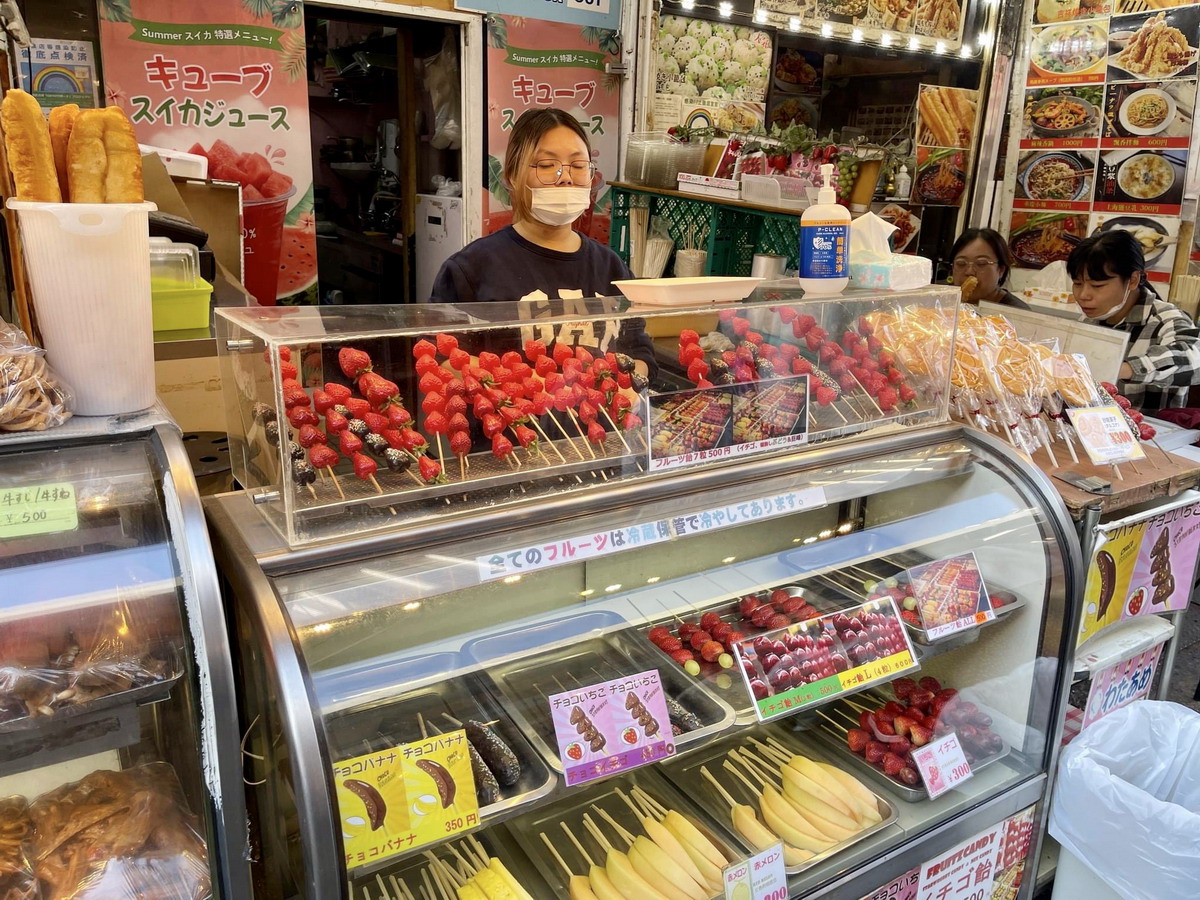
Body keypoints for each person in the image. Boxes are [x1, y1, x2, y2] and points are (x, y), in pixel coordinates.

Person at [429, 107, 655, 376]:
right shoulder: (471, 268)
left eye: (579, 166)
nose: (566, 178)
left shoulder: (611, 267)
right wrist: (522, 384)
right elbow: (439, 357)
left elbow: (640, 355)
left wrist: (625, 385)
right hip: (512, 418)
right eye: (548, 166)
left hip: (597, 417)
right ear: (512, 176)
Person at [1068, 230, 1200, 411]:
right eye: (1077, 283)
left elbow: (1193, 358)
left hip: (1151, 434)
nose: (1083, 295)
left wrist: (1121, 369)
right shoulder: (1089, 320)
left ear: (1133, 280)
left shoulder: (1166, 320)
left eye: (1097, 286)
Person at [947, 228, 1031, 310]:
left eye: (981, 263)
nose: (969, 272)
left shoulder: (1017, 313)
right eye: (961, 263)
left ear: (1001, 270)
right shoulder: (943, 301)